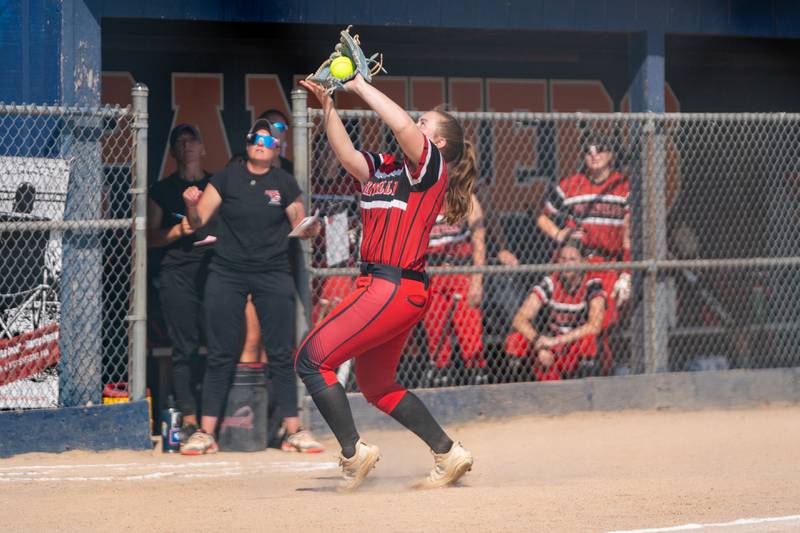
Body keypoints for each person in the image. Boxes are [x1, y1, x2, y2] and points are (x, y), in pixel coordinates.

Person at [296, 74, 475, 491]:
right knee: (376, 384)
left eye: (426, 122)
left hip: (392, 287)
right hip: (387, 289)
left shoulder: (432, 169)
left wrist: (359, 85)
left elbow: (401, 127)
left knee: (310, 359)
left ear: (440, 143)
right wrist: (329, 104)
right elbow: (347, 157)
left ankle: (352, 453)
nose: (418, 122)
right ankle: (449, 453)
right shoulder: (386, 167)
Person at [179, 118, 320, 455]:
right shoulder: (227, 177)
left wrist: (309, 229)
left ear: (276, 150)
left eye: (268, 141)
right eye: (255, 139)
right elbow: (198, 222)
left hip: (272, 272)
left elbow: (300, 221)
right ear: (246, 144)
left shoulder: (284, 183)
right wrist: (190, 203)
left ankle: (293, 431)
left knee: (281, 353)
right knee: (220, 353)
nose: (261, 144)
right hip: (228, 271)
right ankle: (206, 433)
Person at [147, 124, 216, 442]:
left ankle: (216, 417)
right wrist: (181, 230)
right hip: (177, 275)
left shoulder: (216, 185)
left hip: (216, 272)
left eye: (192, 140)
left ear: (203, 147)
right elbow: (150, 237)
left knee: (221, 345)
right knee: (184, 347)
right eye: (180, 141)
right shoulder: (162, 190)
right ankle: (188, 419)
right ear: (174, 151)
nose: (186, 145)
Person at [536, 133, 631, 330]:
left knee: (603, 322)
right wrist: (559, 234)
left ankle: (599, 361)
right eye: (588, 151)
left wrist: (626, 272)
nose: (594, 155)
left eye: (600, 149)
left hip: (607, 264)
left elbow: (628, 235)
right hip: (575, 265)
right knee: (567, 322)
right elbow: (541, 215)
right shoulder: (571, 184)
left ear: (611, 155)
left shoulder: (623, 186)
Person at [505, 238, 607, 381]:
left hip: (573, 344)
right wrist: (539, 343)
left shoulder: (593, 283)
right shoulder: (550, 282)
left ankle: (585, 389)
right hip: (550, 345)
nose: (566, 264)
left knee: (589, 340)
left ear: (583, 262)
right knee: (516, 339)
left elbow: (594, 326)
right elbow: (519, 319)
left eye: (572, 259)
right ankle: (517, 385)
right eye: (563, 259)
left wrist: (557, 341)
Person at [423, 193, 487, 383]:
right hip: (432, 272)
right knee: (436, 333)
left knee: (470, 334)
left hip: (460, 272)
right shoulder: (419, 195)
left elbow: (479, 240)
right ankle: (440, 376)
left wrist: (477, 281)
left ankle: (477, 377)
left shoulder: (466, 197)